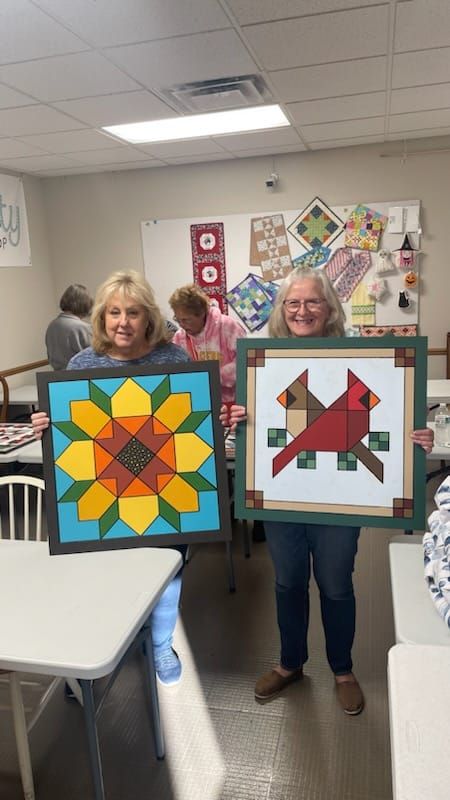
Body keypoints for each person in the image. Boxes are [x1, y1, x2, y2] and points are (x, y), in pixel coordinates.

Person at [221, 265, 433, 714]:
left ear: (329, 307)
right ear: (281, 310)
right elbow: (259, 429)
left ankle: (342, 668)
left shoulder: (362, 358)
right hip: (282, 495)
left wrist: (417, 437)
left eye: (312, 301)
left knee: (336, 584)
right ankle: (289, 663)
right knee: (288, 582)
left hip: (342, 493)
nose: (302, 310)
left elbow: (391, 415)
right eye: (293, 302)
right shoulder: (264, 364)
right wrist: (238, 420)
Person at [33, 270, 190, 687]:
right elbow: (72, 430)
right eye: (114, 312)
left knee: (168, 570)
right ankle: (111, 644)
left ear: (148, 317)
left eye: (133, 312)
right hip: (104, 487)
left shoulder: (173, 359)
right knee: (109, 575)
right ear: (101, 317)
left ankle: (160, 645)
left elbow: (190, 422)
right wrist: (48, 421)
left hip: (165, 485)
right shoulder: (83, 364)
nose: (123, 322)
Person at [168, 284, 246, 406]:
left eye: (186, 320)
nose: (181, 325)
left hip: (233, 403)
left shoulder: (228, 326)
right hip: (199, 404)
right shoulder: (179, 338)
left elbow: (245, 364)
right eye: (178, 320)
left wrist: (211, 377)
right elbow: (176, 376)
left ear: (202, 313)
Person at [45, 284, 94, 370]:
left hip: (58, 378)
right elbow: (95, 359)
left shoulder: (52, 326)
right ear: (84, 305)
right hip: (81, 379)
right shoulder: (82, 328)